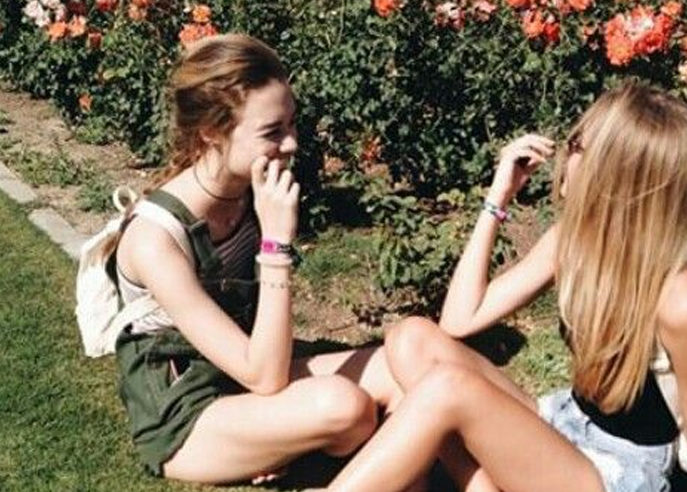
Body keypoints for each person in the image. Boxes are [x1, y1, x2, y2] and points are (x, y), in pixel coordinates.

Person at [318, 83, 687, 492]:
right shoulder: (572, 242)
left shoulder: (676, 296)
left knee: (448, 390)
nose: (565, 155)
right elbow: (460, 319)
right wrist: (499, 195)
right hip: (565, 423)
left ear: (617, 175)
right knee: (412, 339)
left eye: (578, 146)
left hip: (617, 472)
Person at [113, 33, 403, 485]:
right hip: (189, 419)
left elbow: (263, 368)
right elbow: (265, 376)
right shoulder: (155, 238)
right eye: (272, 132)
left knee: (402, 369)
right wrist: (276, 244)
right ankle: (291, 444)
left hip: (247, 380)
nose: (291, 144)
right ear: (211, 132)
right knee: (346, 407)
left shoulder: (251, 192)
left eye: (291, 124)